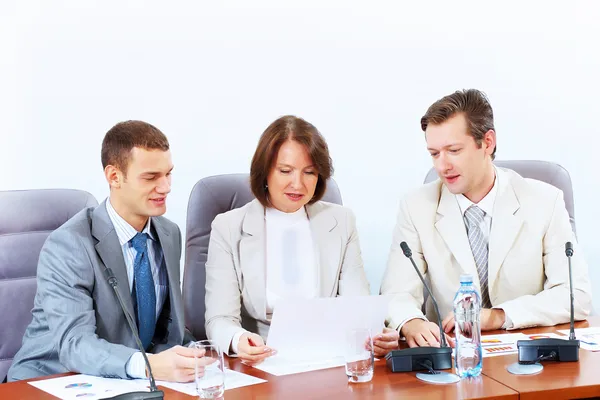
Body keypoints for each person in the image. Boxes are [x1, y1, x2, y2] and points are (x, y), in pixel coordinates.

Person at [380, 89, 592, 348]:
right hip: (453, 358)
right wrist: (411, 321)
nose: (441, 166)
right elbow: (396, 292)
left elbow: (576, 297)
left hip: (528, 354)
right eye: (434, 153)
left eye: (454, 150)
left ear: (487, 142)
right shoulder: (416, 206)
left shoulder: (544, 201)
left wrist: (497, 316)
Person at [9, 120, 202, 382]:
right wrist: (149, 365)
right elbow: (75, 343)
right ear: (114, 177)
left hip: (124, 381)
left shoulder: (169, 233)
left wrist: (197, 352)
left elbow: (165, 328)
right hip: (54, 379)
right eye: (151, 177)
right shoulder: (69, 244)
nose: (166, 187)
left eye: (168, 174)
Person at [204, 115, 399, 364]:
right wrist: (238, 339)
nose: (297, 184)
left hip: (331, 357)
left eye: (309, 172)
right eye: (285, 171)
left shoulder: (341, 221)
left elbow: (357, 307)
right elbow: (219, 319)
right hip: (262, 362)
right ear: (264, 172)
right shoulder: (228, 227)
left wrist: (376, 335)